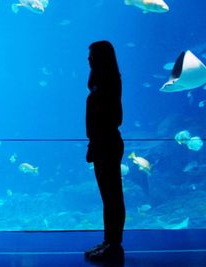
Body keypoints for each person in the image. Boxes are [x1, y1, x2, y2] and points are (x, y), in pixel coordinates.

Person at [84, 41, 126, 261]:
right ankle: (109, 240)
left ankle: (114, 244)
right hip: (101, 142)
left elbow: (115, 116)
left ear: (102, 57)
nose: (88, 59)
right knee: (108, 196)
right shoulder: (99, 81)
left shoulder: (110, 81)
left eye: (92, 55)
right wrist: (92, 143)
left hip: (108, 142)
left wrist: (97, 140)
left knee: (112, 197)